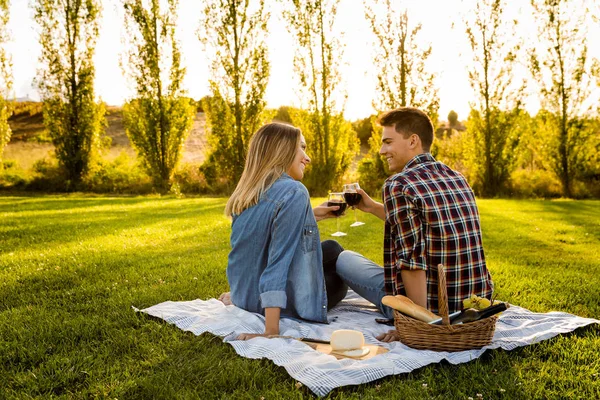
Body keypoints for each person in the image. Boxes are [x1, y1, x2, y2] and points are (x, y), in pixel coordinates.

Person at [336, 107, 494, 342]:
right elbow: (426, 224)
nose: (381, 150)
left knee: (343, 258)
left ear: (413, 141)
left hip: (433, 310)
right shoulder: (456, 177)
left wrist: (417, 323)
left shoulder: (398, 184)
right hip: (474, 303)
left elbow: (412, 263)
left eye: (388, 142)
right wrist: (371, 207)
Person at [220, 122, 348, 340]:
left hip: (244, 294)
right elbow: (277, 262)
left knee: (330, 249)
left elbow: (262, 235)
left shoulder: (248, 192)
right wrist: (271, 330)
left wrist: (314, 214)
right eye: (303, 148)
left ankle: (244, 297)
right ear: (283, 150)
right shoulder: (294, 191)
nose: (307, 158)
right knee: (339, 267)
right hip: (270, 305)